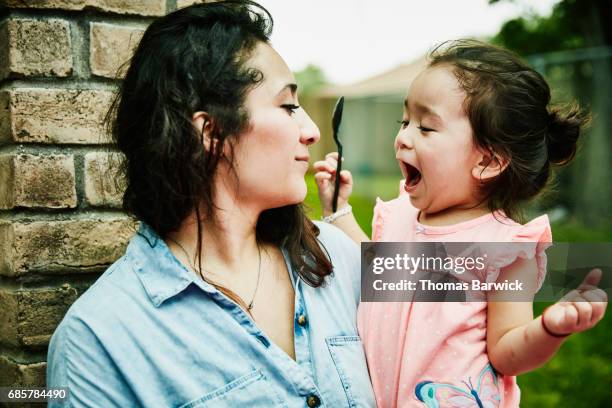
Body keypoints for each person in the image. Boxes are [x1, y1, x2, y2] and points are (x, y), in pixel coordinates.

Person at [46, 1, 375, 406]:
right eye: (288, 106)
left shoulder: (331, 252)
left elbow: (461, 280)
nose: (309, 130)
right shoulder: (97, 341)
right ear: (210, 130)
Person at [314, 40, 608, 407]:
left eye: (425, 127)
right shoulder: (402, 215)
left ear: (487, 161)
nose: (402, 137)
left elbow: (506, 351)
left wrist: (548, 329)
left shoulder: (504, 250)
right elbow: (376, 269)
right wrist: (338, 210)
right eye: (404, 121)